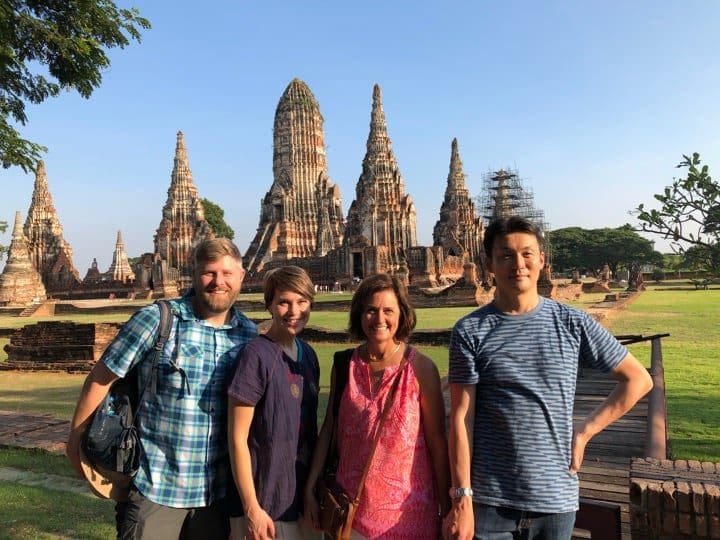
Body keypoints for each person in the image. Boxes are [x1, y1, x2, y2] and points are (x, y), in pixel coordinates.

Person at [445, 216, 654, 540]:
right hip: (489, 501)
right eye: (506, 255)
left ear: (541, 260)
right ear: (489, 264)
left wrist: (585, 431)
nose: (518, 264)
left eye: (527, 254)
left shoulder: (573, 323)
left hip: (555, 497)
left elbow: (638, 379)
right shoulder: (470, 331)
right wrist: (462, 497)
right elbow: (462, 417)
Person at [66, 238, 257, 539]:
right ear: (194, 274)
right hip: (155, 486)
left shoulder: (248, 335)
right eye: (209, 273)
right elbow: (101, 378)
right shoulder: (158, 319)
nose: (218, 282)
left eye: (227, 274)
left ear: (241, 277)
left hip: (216, 493)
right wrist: (75, 443)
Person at [305, 273, 450, 539]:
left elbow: (437, 443)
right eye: (371, 310)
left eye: (388, 311)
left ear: (402, 314)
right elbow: (329, 430)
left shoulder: (421, 368)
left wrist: (447, 509)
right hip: (349, 513)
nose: (379, 319)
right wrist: (311, 486)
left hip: (410, 517)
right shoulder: (344, 365)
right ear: (359, 315)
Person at [228, 266, 320, 540]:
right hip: (264, 502)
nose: (294, 311)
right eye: (284, 302)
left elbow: (310, 432)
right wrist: (252, 508)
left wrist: (312, 492)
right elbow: (237, 438)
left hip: (302, 500)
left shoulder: (308, 355)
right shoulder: (256, 355)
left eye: (302, 301)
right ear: (269, 305)